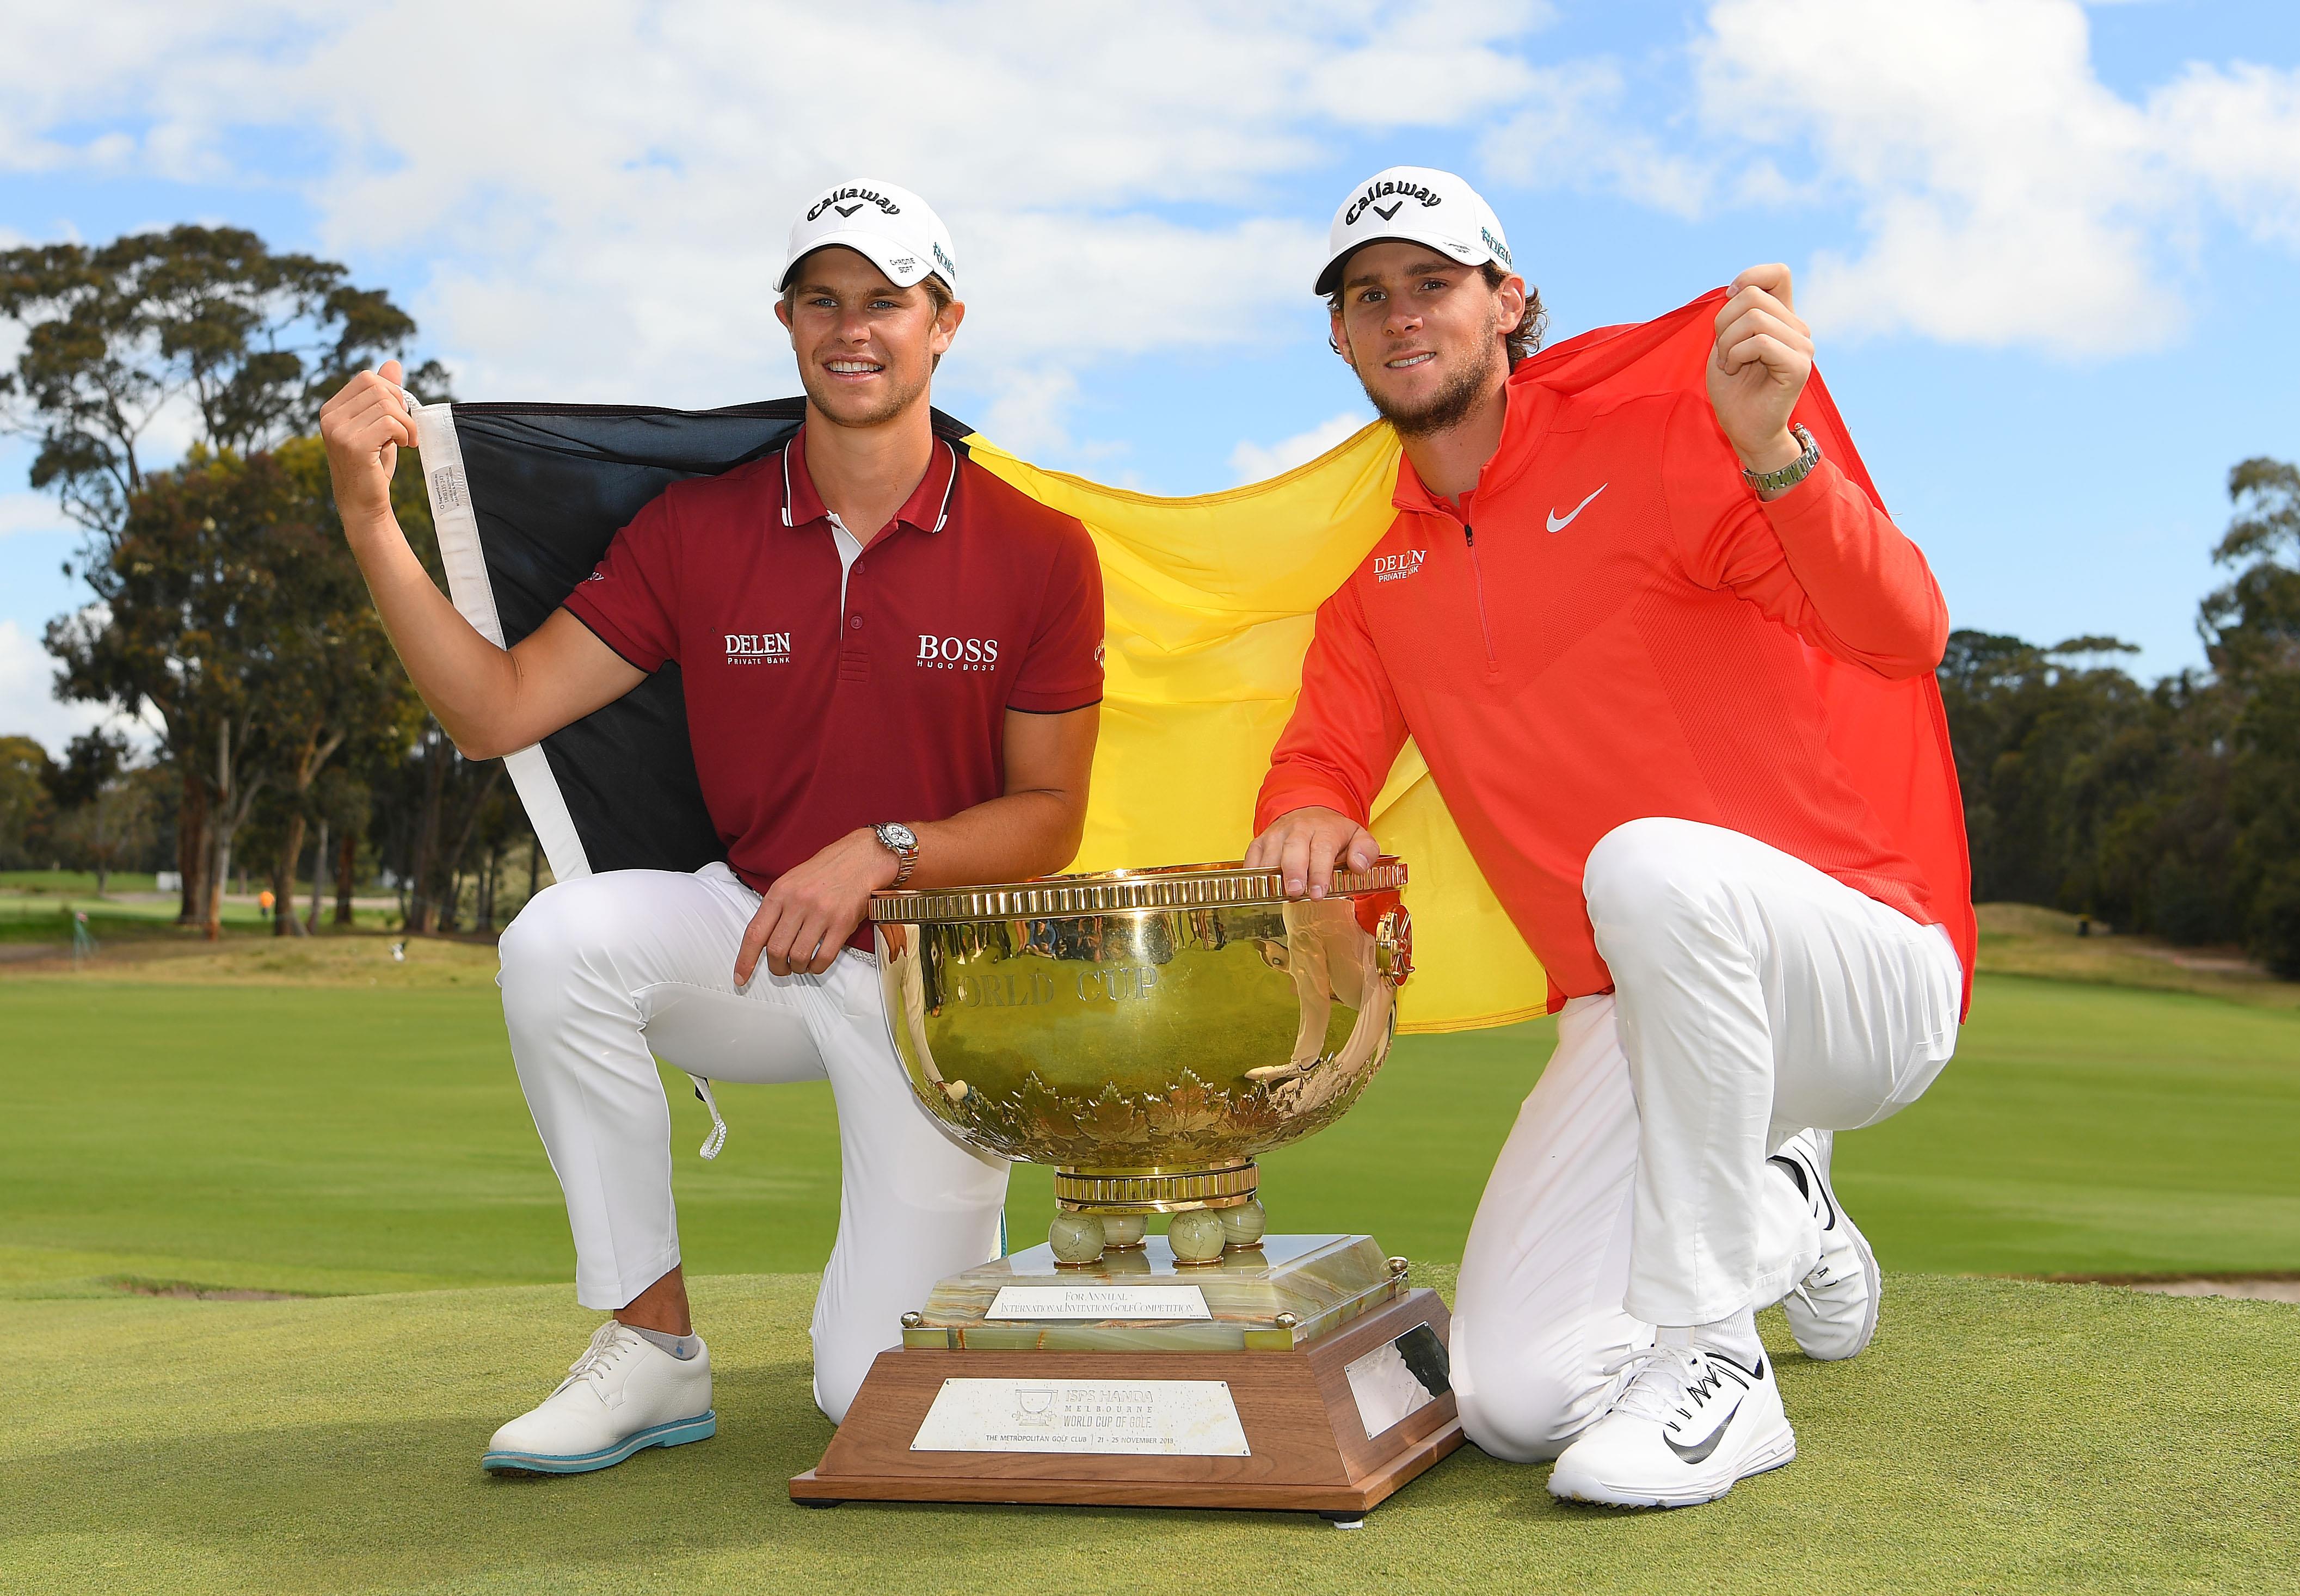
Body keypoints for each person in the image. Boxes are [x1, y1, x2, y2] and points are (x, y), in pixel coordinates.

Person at [318, 179, 1104, 1475]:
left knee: (867, 1392)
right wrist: (367, 518)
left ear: (945, 322)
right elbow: (495, 712)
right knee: (559, 943)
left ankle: (984, 1292)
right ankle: (652, 1349)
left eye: (886, 302)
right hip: (752, 940)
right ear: (788, 320)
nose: (853, 329)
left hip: (940, 987)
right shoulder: (696, 529)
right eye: (822, 301)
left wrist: (882, 852)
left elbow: (1050, 818)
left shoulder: (1038, 548)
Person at [1246, 167, 1967, 1508]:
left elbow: (1903, 633)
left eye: (1434, 283)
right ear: (1339, 339)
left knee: (1641, 860)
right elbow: (1317, 760)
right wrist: (1304, 806)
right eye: (1367, 296)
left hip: (1859, 975)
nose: (1400, 314)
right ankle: (1781, 1211)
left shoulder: (1659, 452)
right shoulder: (1377, 588)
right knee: (1517, 1400)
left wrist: (1774, 455)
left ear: (1506, 302)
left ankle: (1720, 1363)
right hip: (1641, 1013)